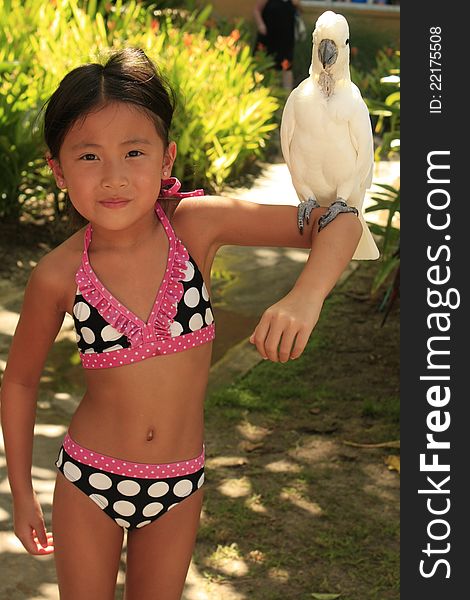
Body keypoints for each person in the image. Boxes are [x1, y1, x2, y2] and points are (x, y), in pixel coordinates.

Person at [0, 47, 362, 599]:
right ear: (57, 169)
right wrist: (22, 491)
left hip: (179, 482)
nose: (115, 177)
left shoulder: (196, 227)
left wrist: (303, 297)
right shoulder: (57, 275)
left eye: (134, 152)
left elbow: (341, 220)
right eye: (89, 157)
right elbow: (20, 380)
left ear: (167, 159)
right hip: (90, 480)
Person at [253, 0, 302, 91]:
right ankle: (262, 90)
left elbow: (298, 11)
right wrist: (260, 25)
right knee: (265, 63)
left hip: (285, 39)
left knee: (287, 66)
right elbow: (256, 10)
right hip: (268, 36)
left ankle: (287, 96)